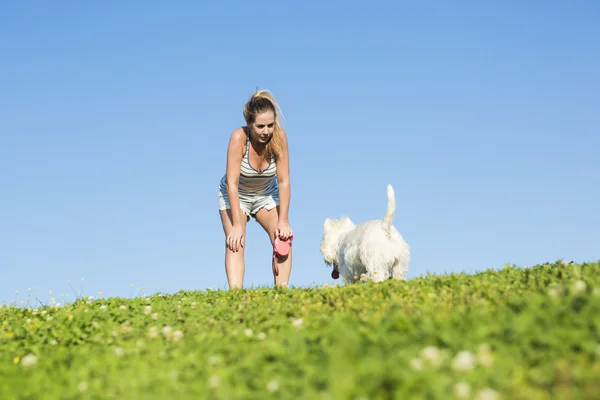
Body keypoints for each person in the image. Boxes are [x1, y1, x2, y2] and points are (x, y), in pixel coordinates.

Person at [218, 89, 293, 289]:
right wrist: (236, 224)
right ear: (249, 124)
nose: (266, 131)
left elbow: (284, 181)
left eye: (270, 125)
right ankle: (235, 296)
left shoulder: (279, 138)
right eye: (260, 126)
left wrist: (283, 221)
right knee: (236, 241)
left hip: (265, 195)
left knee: (283, 239)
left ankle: (282, 293)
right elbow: (232, 184)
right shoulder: (238, 138)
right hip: (236, 195)